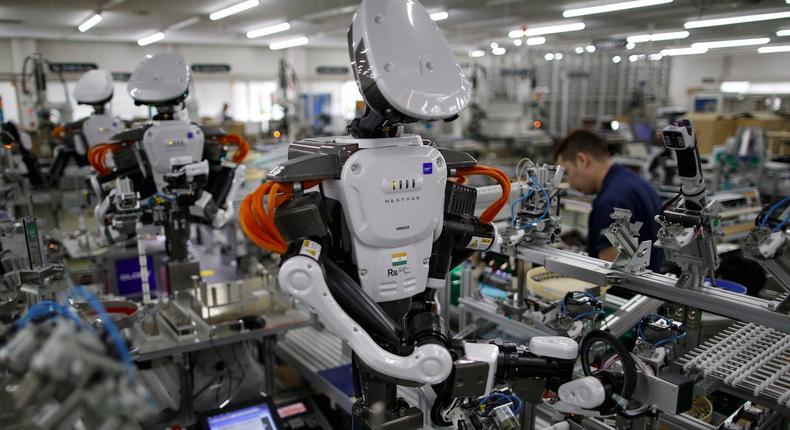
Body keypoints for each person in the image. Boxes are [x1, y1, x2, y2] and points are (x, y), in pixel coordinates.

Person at [555, 129, 664, 272]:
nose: (569, 183)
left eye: (567, 172)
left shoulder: (612, 202)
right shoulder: (635, 182)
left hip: (627, 294)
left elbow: (610, 275)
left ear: (582, 160)